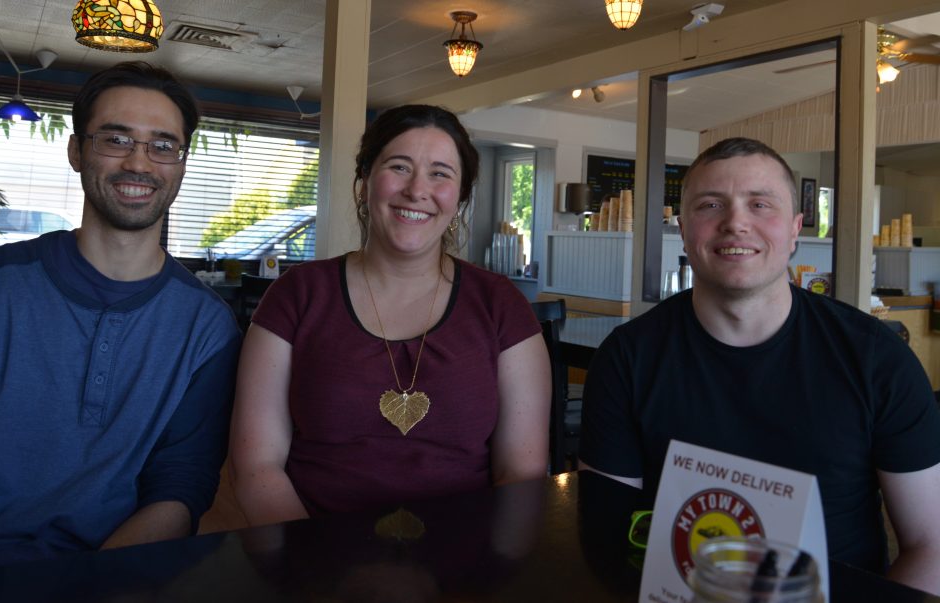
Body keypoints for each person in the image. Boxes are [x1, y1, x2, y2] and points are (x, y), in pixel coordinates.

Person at [0, 61, 241, 575]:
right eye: (116, 139)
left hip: (120, 577)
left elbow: (181, 484)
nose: (140, 162)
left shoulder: (208, 328)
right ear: (76, 151)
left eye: (162, 145)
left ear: (180, 162)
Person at [579, 137, 940, 595]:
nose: (736, 223)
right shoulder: (627, 357)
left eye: (760, 204)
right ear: (685, 229)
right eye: (711, 205)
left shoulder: (876, 360)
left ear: (794, 230)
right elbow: (606, 535)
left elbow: (931, 545)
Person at [230, 104, 550, 527]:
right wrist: (312, 573)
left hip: (463, 567)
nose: (417, 190)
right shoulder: (296, 296)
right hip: (313, 560)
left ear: (460, 196)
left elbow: (522, 475)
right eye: (399, 167)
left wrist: (481, 576)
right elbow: (256, 467)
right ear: (364, 183)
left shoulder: (500, 306)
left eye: (440, 173)